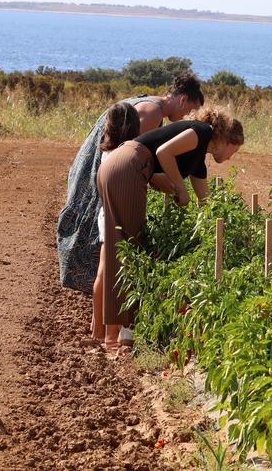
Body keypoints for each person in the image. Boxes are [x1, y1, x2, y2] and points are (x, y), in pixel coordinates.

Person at [97, 107, 244, 347]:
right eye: (234, 150)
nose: (231, 157)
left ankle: (113, 335)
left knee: (122, 249)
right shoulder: (200, 131)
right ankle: (118, 336)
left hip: (118, 166)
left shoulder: (198, 162)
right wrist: (180, 188)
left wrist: (222, 230)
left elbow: (205, 204)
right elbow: (164, 152)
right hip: (128, 166)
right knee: (130, 251)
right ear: (227, 140)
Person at [57, 72, 205, 296]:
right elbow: (130, 158)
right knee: (106, 238)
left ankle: (99, 304)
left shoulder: (150, 102)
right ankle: (103, 305)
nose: (188, 116)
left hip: (98, 165)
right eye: (190, 110)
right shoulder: (153, 112)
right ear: (182, 99)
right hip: (106, 169)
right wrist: (162, 182)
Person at [89, 102, 141, 347]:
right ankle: (110, 333)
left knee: (103, 269)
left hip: (104, 212)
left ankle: (99, 330)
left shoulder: (106, 150)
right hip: (113, 213)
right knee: (111, 270)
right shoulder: (124, 152)